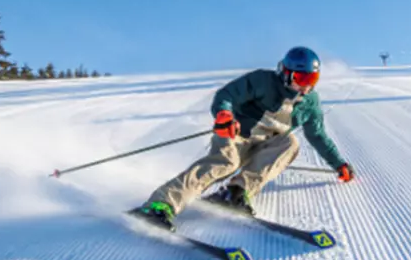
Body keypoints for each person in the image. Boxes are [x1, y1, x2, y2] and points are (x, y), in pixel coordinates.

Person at [130, 47, 354, 229]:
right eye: (302, 77)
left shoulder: (310, 102)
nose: (307, 85)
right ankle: (160, 204)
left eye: (313, 78)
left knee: (290, 144)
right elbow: (226, 95)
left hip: (265, 143)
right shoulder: (263, 81)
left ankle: (236, 192)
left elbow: (317, 135)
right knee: (226, 163)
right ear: (286, 73)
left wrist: (339, 164)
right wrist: (224, 114)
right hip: (236, 134)